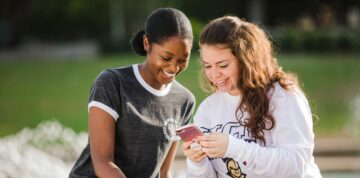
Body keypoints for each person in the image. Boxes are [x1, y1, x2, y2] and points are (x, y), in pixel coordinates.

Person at [182, 16, 322, 178]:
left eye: (223, 65)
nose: (214, 74)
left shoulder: (284, 97)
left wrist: (233, 147)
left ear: (246, 60)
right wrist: (197, 162)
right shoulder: (208, 109)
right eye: (208, 66)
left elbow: (294, 167)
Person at [69, 7, 195, 178]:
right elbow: (102, 162)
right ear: (146, 43)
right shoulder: (112, 83)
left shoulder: (184, 101)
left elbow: (163, 171)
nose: (174, 67)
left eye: (182, 60)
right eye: (166, 58)